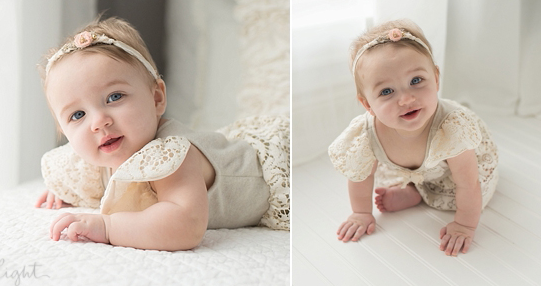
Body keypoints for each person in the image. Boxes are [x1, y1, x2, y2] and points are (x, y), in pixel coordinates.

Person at [35, 17, 289, 251]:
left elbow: (185, 226)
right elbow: (76, 177)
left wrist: (108, 227)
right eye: (77, 115)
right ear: (63, 131)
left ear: (156, 98)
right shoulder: (98, 157)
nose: (99, 122)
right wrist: (64, 189)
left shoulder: (172, 155)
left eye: (114, 97)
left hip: (266, 169)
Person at [328, 19, 498, 256]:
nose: (406, 99)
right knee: (399, 177)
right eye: (386, 91)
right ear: (368, 104)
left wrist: (464, 225)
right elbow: (360, 177)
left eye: (416, 81)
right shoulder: (366, 134)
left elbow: (468, 184)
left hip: (459, 172)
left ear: (436, 79)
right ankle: (415, 190)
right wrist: (361, 212)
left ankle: (419, 192)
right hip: (418, 170)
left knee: (463, 188)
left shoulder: (452, 128)